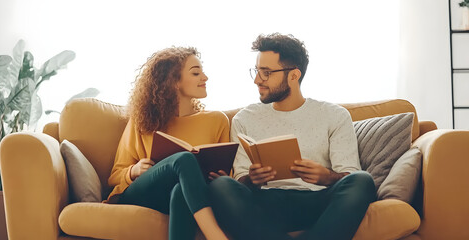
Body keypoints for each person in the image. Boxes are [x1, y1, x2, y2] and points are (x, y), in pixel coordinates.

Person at [209, 33, 376, 240]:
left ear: (294, 75)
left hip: (319, 201)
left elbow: (350, 175)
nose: (257, 80)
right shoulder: (244, 119)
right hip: (266, 204)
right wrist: (253, 179)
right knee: (221, 186)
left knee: (363, 181)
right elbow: (241, 182)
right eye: (257, 71)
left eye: (266, 73)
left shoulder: (335, 115)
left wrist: (327, 176)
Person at [106, 47, 228, 240]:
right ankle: (216, 235)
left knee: (181, 189)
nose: (205, 77)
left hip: (189, 197)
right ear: (174, 81)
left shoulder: (217, 120)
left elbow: (227, 168)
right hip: (143, 194)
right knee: (184, 159)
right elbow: (115, 176)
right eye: (196, 72)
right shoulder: (144, 121)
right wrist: (134, 170)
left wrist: (221, 177)